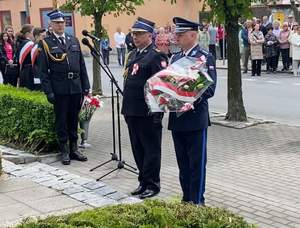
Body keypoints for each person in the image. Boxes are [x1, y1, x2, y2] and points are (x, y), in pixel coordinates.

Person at [168, 17, 217, 206]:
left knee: (197, 164)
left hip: (195, 118)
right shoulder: (176, 57)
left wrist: (185, 93)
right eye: (177, 34)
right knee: (183, 163)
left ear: (193, 35)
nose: (177, 38)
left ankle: (197, 201)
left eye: (181, 34)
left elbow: (210, 89)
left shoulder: (204, 57)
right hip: (177, 118)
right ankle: (186, 198)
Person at [122, 17, 168, 199]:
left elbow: (161, 86)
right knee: (137, 148)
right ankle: (142, 181)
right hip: (131, 110)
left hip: (148, 112)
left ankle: (152, 184)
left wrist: (157, 112)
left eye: (139, 34)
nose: (135, 37)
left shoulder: (156, 55)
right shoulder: (133, 54)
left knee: (151, 150)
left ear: (150, 35)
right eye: (134, 33)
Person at [37, 10, 90, 165]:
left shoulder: (73, 40)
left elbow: (82, 65)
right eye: (57, 23)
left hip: (76, 87)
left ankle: (74, 149)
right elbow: (42, 71)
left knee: (74, 119)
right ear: (51, 25)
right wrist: (49, 91)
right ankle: (64, 151)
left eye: (62, 22)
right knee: (61, 120)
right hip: (59, 89)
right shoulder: (46, 43)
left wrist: (86, 86)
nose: (60, 25)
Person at [15, 24, 35, 90]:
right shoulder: (29, 44)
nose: (34, 34)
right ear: (27, 33)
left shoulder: (21, 42)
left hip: (23, 71)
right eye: (32, 32)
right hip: (29, 71)